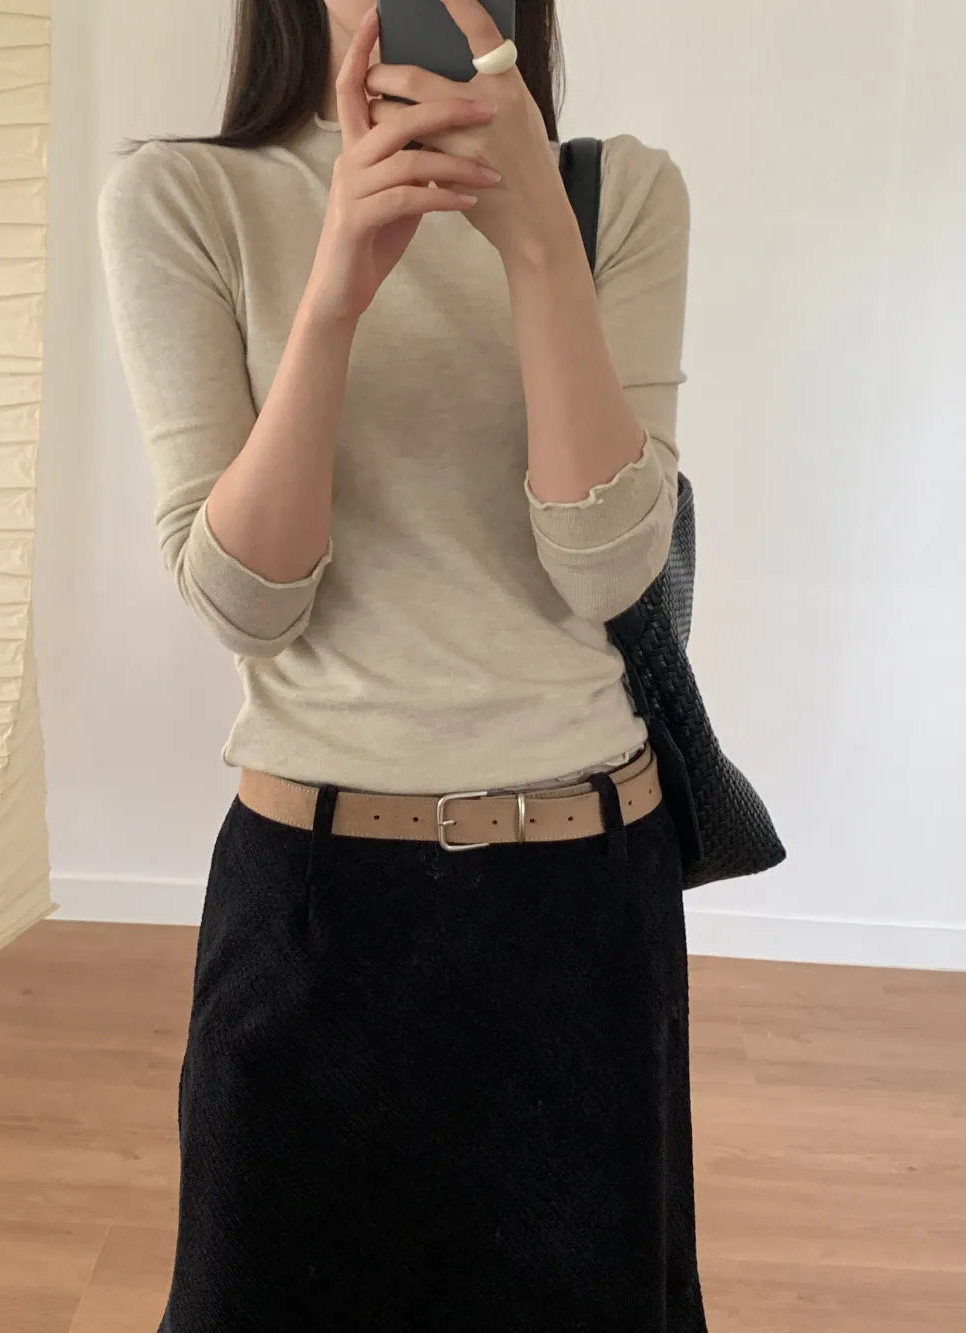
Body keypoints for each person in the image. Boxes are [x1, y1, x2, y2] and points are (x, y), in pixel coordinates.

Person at [97, 0, 706, 1327]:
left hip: (581, 897)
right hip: (313, 900)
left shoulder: (617, 193)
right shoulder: (183, 197)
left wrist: (536, 236)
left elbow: (607, 571)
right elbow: (247, 605)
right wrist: (334, 294)